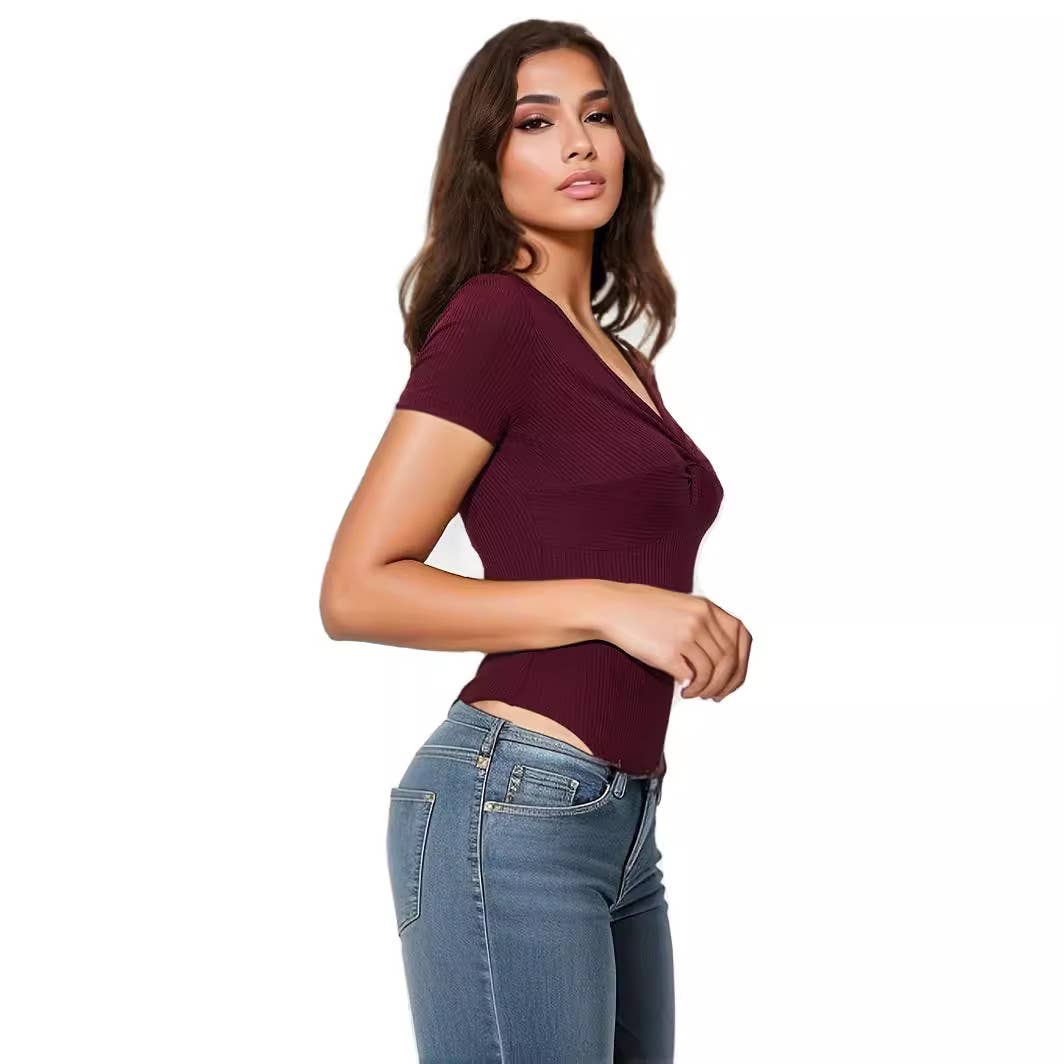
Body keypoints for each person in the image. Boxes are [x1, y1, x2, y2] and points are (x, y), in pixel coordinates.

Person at [320, 20, 752, 1063]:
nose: (579, 143)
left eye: (598, 115)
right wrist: (611, 604)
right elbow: (355, 589)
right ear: (487, 156)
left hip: (621, 818)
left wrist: (688, 621)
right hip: (514, 805)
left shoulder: (619, 356)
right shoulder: (494, 322)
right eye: (536, 121)